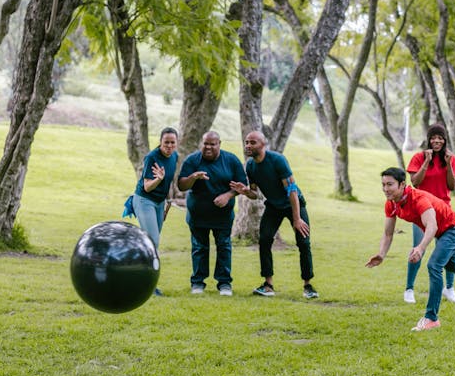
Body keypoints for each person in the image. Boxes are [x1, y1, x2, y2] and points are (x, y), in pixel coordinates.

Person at [365, 167, 455, 331]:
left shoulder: (418, 199)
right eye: (383, 185)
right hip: (444, 232)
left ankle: (431, 318)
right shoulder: (391, 205)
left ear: (402, 184)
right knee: (450, 265)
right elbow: (388, 233)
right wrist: (381, 254)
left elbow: (432, 226)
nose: (385, 189)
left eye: (390, 184)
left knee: (434, 265)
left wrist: (420, 247)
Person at [229, 131, 318, 299]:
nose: (248, 145)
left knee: (303, 242)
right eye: (247, 142)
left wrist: (297, 218)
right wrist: (245, 191)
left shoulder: (277, 160)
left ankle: (308, 286)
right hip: (273, 206)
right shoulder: (250, 165)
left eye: (253, 142)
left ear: (263, 144)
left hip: (294, 204)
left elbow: (291, 190)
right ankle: (268, 285)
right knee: (264, 239)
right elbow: (255, 194)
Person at [177, 131, 248, 296]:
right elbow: (181, 185)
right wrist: (193, 177)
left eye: (212, 144)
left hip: (222, 216)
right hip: (198, 215)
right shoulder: (192, 160)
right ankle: (198, 283)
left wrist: (228, 195)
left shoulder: (230, 160)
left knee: (224, 246)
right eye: (205, 143)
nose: (208, 147)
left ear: (219, 144)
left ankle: (224, 284)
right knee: (199, 247)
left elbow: (242, 185)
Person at [404, 123, 455, 304]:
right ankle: (409, 289)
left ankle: (449, 288)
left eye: (440, 138)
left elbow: (453, 186)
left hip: (443, 209)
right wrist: (427, 162)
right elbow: (415, 183)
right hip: (421, 208)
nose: (437, 140)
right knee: (418, 247)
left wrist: (450, 164)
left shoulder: (450, 159)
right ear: (428, 139)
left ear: (444, 140)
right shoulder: (419, 157)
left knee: (449, 251)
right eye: (433, 137)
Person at [130, 127, 179, 296]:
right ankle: (148, 286)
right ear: (160, 142)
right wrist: (158, 179)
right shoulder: (152, 157)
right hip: (145, 200)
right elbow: (147, 186)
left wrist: (168, 202)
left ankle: (142, 279)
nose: (169, 146)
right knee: (153, 242)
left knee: (151, 242)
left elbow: (171, 182)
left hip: (160, 202)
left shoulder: (174, 157)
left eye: (173, 142)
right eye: (166, 142)